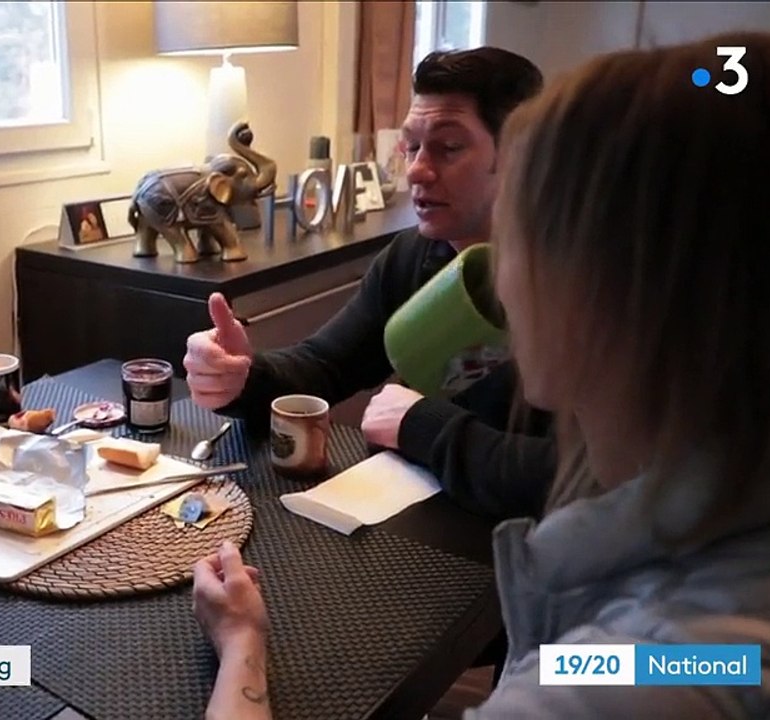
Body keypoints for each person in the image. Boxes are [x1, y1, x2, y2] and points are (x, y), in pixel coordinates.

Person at [195, 32, 770, 718]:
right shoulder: (720, 600)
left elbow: (616, 675)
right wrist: (246, 376)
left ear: (612, 283)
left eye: (530, 221)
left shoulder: (639, 685)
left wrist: (241, 645)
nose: (497, 281)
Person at [184, 47, 551, 521]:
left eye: (449, 147)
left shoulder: (583, 287)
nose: (417, 170)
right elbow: (325, 363)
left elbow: (589, 477)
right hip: (423, 530)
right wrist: (242, 376)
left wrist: (425, 427)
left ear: (521, 155)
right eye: (412, 146)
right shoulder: (415, 256)